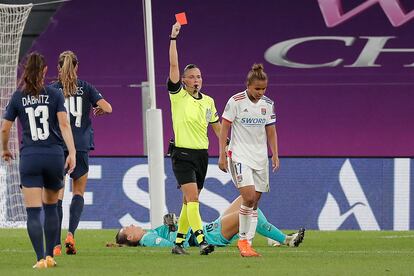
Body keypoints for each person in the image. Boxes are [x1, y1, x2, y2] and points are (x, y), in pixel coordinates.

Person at [1, 52, 76, 268]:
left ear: (25, 71)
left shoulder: (18, 97)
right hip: (53, 155)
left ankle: (40, 258)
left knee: (33, 212)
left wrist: (5, 149)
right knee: (51, 207)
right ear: (44, 71)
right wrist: (72, 152)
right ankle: (51, 255)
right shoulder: (55, 95)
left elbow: (5, 128)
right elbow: (64, 125)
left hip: (31, 156)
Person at [49, 50, 112, 256]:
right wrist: (99, 109)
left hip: (58, 146)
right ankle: (71, 235)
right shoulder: (85, 88)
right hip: (82, 146)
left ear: (58, 68)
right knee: (78, 192)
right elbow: (108, 108)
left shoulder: (51, 90)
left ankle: (55, 244)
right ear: (76, 67)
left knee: (57, 196)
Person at [167, 22, 221, 255]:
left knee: (189, 202)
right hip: (182, 154)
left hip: (202, 155)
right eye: (191, 77)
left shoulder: (208, 101)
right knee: (194, 197)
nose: (196, 79)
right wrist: (173, 38)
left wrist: (227, 148)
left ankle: (178, 244)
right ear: (185, 81)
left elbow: (218, 128)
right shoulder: (178, 96)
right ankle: (201, 240)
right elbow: (173, 64)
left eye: (199, 76)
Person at [218, 63, 282, 257]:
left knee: (254, 203)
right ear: (248, 85)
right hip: (239, 155)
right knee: (248, 197)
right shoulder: (235, 101)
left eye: (264, 89)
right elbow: (224, 128)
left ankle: (248, 241)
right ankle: (243, 241)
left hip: (260, 158)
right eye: (257, 89)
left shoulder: (268, 104)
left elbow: (271, 131)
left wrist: (275, 154)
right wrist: (222, 153)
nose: (260, 92)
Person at [110, 196, 305, 248]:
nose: (132, 225)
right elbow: (179, 244)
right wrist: (173, 228)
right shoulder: (148, 239)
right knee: (247, 211)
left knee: (246, 201)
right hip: (211, 235)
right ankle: (286, 240)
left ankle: (272, 237)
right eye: (128, 228)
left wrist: (175, 224)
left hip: (209, 227)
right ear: (130, 236)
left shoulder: (151, 233)